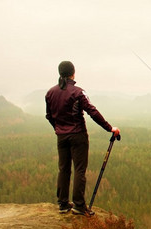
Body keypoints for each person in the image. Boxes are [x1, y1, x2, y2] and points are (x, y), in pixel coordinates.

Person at [45, 61, 120, 215]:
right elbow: (92, 112)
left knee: (63, 169)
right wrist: (109, 128)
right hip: (78, 135)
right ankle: (79, 205)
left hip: (61, 136)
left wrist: (58, 128)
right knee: (80, 169)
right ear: (73, 73)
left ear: (60, 73)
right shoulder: (78, 92)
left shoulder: (50, 93)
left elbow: (49, 116)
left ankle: (63, 203)